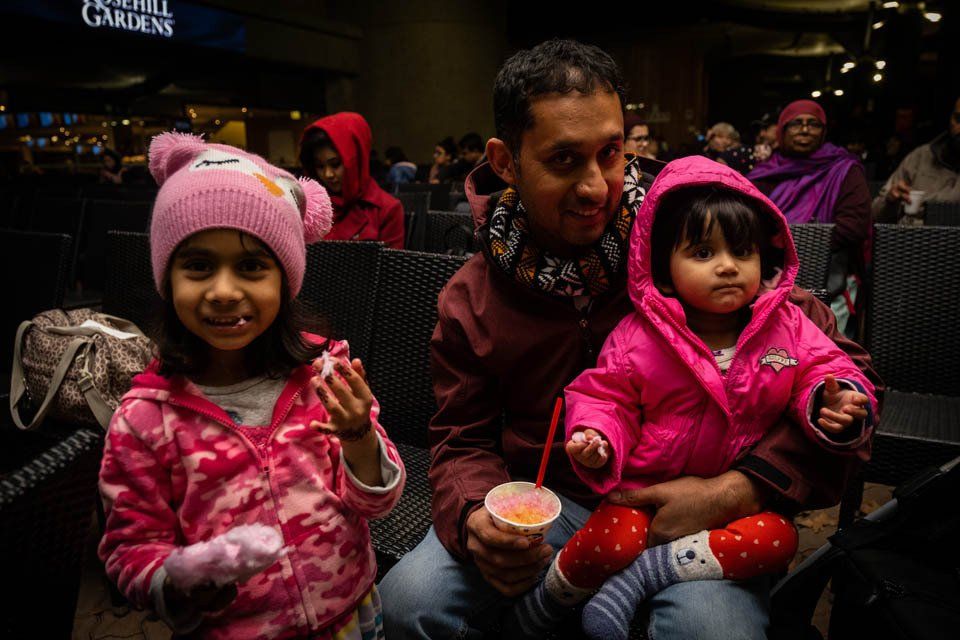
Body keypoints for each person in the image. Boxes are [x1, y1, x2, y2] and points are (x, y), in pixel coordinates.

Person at [379, 39, 880, 640]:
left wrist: (737, 489)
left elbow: (830, 371)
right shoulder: (474, 296)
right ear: (506, 161)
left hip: (700, 515)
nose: (596, 187)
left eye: (611, 153)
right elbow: (460, 434)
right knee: (410, 601)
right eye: (564, 160)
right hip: (553, 505)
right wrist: (474, 515)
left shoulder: (682, 233)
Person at [510, 156, 875, 640]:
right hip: (643, 497)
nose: (726, 266)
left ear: (763, 259)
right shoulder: (640, 334)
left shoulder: (788, 325)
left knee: (780, 539)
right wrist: (595, 435)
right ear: (665, 269)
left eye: (741, 252)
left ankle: (642, 578)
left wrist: (836, 404)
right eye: (702, 253)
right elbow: (606, 394)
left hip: (730, 510)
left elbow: (827, 370)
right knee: (612, 539)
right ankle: (549, 601)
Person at [99, 132, 405, 639]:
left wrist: (359, 438)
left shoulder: (324, 374)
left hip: (350, 613)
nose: (223, 291)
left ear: (284, 281)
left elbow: (376, 504)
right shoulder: (145, 418)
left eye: (251, 266)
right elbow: (129, 549)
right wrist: (175, 581)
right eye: (198, 266)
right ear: (166, 278)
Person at [748, 100, 872, 338]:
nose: (805, 129)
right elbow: (746, 221)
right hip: (766, 278)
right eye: (796, 124)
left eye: (813, 124)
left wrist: (790, 242)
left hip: (828, 277)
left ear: (823, 132)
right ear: (782, 130)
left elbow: (853, 226)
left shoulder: (843, 169)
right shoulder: (765, 172)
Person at [299, 112, 405, 249]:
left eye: (335, 164)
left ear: (356, 161)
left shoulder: (387, 210)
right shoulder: (312, 207)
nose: (328, 174)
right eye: (319, 166)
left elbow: (391, 268)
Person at [873, 97, 960, 225]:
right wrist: (890, 201)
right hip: (910, 240)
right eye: (958, 118)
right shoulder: (921, 156)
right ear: (950, 119)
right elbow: (874, 214)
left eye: (906, 118)